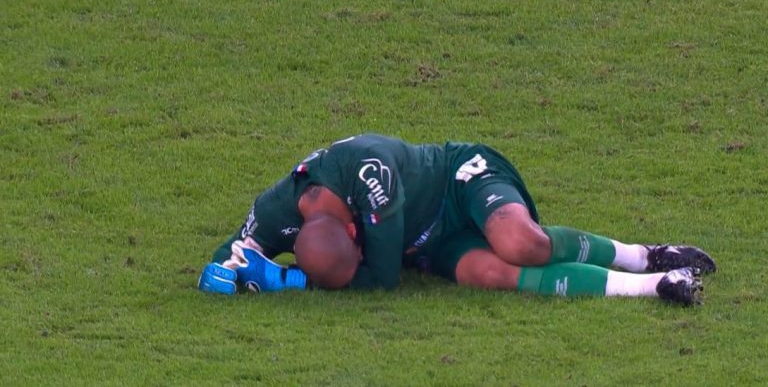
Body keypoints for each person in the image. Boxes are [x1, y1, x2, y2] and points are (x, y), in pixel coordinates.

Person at [198, 134, 715, 304]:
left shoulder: (370, 178)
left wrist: (284, 280)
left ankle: (644, 252)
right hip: (426, 243)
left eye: (354, 253)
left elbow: (379, 278)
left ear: (355, 229)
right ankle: (656, 285)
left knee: (519, 244)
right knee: (489, 275)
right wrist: (222, 273)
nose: (360, 258)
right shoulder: (276, 210)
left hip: (457, 180)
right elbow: (234, 253)